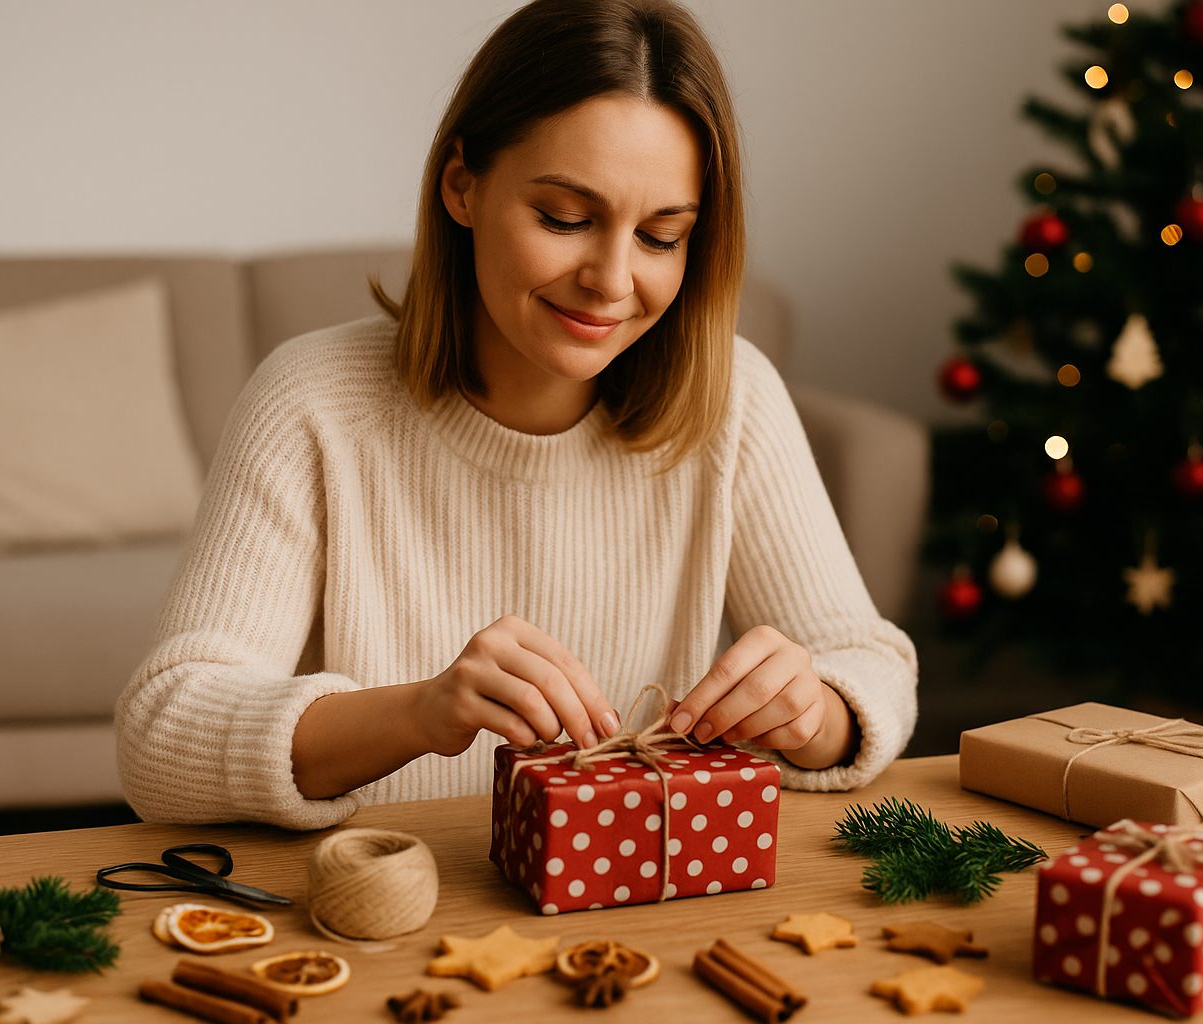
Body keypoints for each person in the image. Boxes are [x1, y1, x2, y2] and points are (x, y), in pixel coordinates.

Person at [116, 0, 917, 830]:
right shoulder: (313, 400)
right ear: (461, 184)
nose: (611, 280)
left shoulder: (733, 400)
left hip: (632, 922)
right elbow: (160, 736)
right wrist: (422, 714)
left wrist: (815, 713)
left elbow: (873, 665)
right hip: (375, 921)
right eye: (566, 219)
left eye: (660, 236)